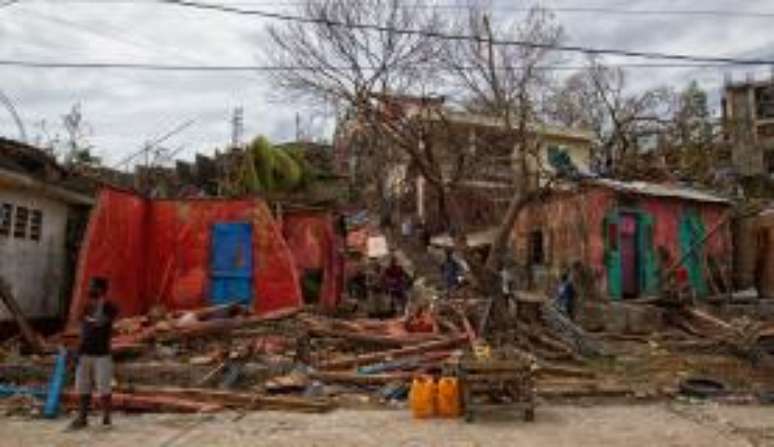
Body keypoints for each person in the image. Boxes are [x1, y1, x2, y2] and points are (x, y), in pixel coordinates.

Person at [69, 277, 119, 430]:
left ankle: (106, 418)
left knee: (104, 387)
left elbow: (101, 322)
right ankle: (82, 417)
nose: (89, 290)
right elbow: (83, 329)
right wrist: (77, 350)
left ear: (101, 290)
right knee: (83, 387)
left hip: (102, 354)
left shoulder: (109, 307)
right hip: (85, 352)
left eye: (92, 287)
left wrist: (99, 306)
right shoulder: (85, 307)